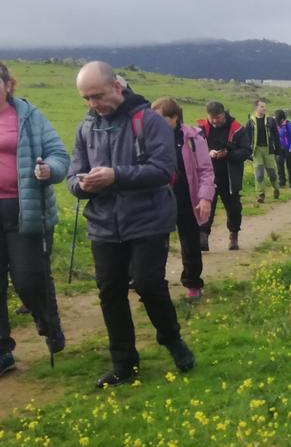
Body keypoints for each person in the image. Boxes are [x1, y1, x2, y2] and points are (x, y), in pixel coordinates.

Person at [69, 62, 194, 387]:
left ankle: (171, 339)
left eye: (97, 95)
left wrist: (116, 175)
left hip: (148, 218)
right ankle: (124, 363)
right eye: (86, 98)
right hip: (103, 223)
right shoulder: (86, 128)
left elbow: (164, 170)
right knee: (110, 291)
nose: (93, 103)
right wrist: (81, 186)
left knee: (148, 283)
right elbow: (73, 175)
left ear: (117, 87)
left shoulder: (149, 122)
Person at [0, 62, 68, 375]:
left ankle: (48, 324)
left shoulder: (29, 115)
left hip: (24, 209)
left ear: (8, 85)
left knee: (29, 278)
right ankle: (3, 351)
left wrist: (49, 170)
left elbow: (58, 154)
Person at [151, 98, 214, 300]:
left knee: (190, 243)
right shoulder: (149, 138)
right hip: (159, 199)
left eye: (160, 118)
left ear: (174, 117)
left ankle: (193, 283)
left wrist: (205, 198)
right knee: (156, 244)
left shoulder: (193, 138)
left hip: (187, 197)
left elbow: (205, 170)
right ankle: (154, 284)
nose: (155, 122)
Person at [197, 101, 251, 251]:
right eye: (212, 118)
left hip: (230, 176)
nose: (215, 121)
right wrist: (208, 153)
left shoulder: (237, 129)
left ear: (224, 113)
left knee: (233, 208)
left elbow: (246, 151)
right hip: (208, 177)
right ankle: (203, 237)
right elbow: (193, 149)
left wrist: (229, 154)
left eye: (218, 117)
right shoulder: (201, 128)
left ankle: (233, 235)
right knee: (206, 207)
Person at [245, 99, 280, 203]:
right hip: (256, 151)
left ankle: (276, 188)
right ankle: (261, 194)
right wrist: (247, 152)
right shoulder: (250, 122)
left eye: (264, 106)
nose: (264, 108)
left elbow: (276, 136)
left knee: (272, 173)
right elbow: (246, 138)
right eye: (262, 106)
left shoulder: (270, 120)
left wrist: (278, 149)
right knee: (259, 174)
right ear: (256, 108)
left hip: (268, 149)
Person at [274, 109, 291, 189]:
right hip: (280, 148)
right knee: (280, 165)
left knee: (289, 165)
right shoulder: (275, 125)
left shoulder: (288, 124)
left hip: (290, 148)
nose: (274, 118)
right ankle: (282, 182)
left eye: (275, 116)